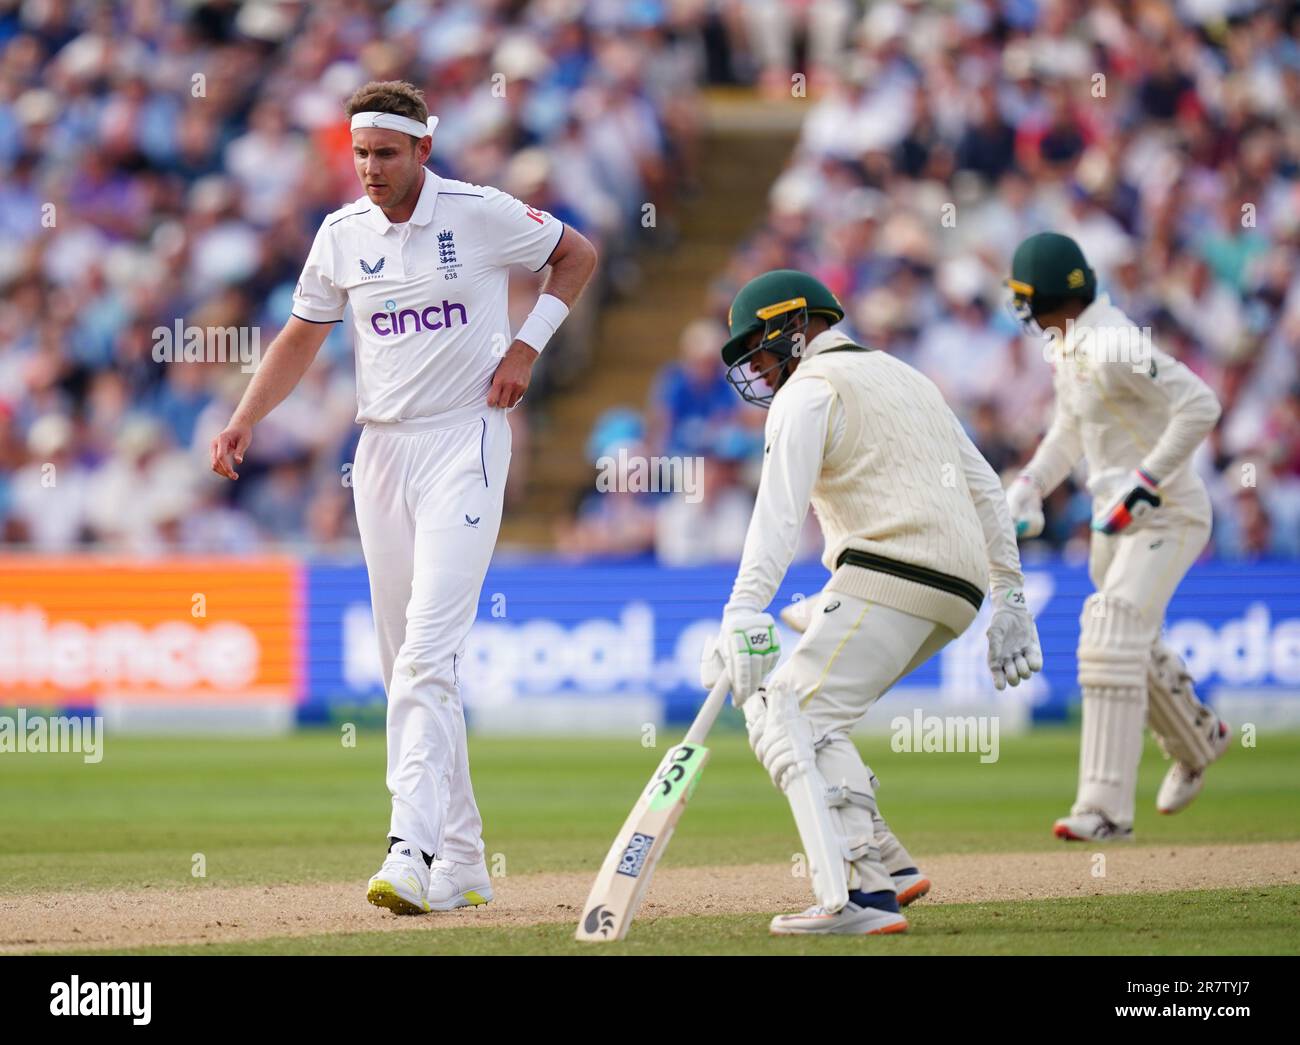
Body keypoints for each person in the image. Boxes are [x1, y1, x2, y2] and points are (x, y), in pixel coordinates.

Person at [209, 80, 596, 913]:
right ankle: (462, 858)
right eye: (360, 154)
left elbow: (578, 254)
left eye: (387, 152)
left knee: (426, 653)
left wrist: (527, 348)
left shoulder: (478, 210)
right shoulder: (342, 233)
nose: (371, 169)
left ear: (424, 148)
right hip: (380, 451)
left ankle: (409, 849)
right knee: (406, 668)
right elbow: (301, 335)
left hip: (467, 437)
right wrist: (244, 419)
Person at [700, 269, 1041, 935]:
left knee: (794, 711)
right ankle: (888, 862)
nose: (761, 372)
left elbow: (777, 516)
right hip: (955, 588)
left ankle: (860, 892)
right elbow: (988, 492)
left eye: (761, 352)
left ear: (792, 326)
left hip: (893, 567)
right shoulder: (909, 378)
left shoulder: (811, 391)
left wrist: (741, 610)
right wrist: (1009, 600)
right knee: (798, 705)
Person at [1004, 232, 1229, 843]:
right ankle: (1200, 738)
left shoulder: (1116, 344)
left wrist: (1149, 481)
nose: (1022, 313)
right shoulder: (1071, 347)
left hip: (1167, 514)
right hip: (1113, 522)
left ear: (1049, 298)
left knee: (1109, 628)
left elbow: (1201, 405)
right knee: (1131, 646)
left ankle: (1103, 810)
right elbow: (1070, 429)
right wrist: (1029, 484)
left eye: (1025, 299)